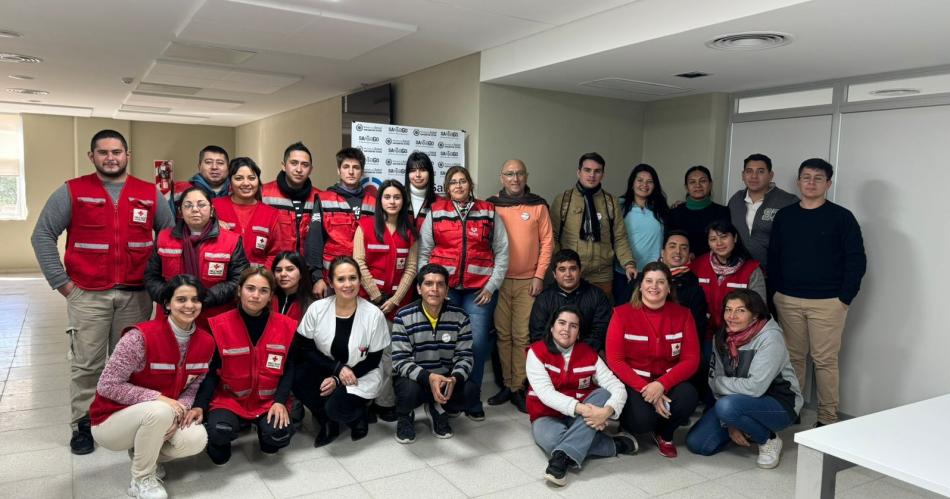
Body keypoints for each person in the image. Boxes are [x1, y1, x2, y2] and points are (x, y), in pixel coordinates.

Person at [30, 129, 175, 455]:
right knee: (87, 365)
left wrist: (160, 288)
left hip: (136, 296)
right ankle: (83, 425)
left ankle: (132, 421)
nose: (111, 158)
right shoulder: (72, 191)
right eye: (103, 152)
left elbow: (169, 239)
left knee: (134, 364)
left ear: (127, 155)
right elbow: (42, 236)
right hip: (87, 295)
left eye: (117, 152)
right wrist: (63, 284)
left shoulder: (149, 193)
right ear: (92, 157)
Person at [88, 275, 213, 499]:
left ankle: (146, 453)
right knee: (159, 410)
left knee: (196, 438)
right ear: (167, 303)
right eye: (181, 299)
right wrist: (160, 399)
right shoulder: (139, 337)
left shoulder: (206, 342)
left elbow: (195, 385)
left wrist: (182, 408)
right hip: (111, 420)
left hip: (161, 416)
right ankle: (141, 479)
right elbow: (107, 385)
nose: (189, 306)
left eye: (195, 300)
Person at [768, 158, 866, 427]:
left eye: (818, 178)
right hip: (787, 299)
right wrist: (775, 293)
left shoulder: (842, 218)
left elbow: (856, 260)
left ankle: (826, 417)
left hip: (828, 302)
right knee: (793, 359)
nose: (811, 182)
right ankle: (795, 409)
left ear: (828, 183)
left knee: (824, 361)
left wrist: (844, 299)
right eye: (806, 177)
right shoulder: (785, 216)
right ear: (798, 182)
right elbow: (774, 257)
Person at [418, 166, 508, 419]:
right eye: (453, 182)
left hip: (479, 291)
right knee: (445, 343)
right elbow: (424, 253)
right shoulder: (436, 212)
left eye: (463, 181)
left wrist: (492, 286)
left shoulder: (488, 212)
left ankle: (472, 396)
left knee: (477, 344)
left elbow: (502, 252)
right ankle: (448, 394)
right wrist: (431, 288)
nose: (458, 186)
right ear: (446, 188)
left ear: (470, 184)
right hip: (445, 291)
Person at [191, 267, 298, 464]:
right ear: (239, 291)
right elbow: (211, 374)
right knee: (219, 437)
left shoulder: (286, 325)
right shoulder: (218, 325)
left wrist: (280, 401)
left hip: (267, 401)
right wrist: (199, 406)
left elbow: (289, 368)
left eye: (263, 291)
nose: (256, 295)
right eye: (250, 288)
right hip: (229, 400)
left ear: (270, 296)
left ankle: (263, 431)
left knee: (278, 436)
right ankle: (221, 436)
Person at [686, 289, 802, 469]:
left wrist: (721, 388)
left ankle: (768, 439)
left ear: (755, 315)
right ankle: (745, 426)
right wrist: (731, 422)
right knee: (697, 443)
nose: (731, 316)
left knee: (727, 407)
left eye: (740, 310)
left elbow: (754, 387)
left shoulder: (770, 338)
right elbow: (713, 380)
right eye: (728, 309)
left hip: (779, 404)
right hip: (735, 402)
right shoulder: (721, 337)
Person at [526, 305, 636, 487]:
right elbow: (546, 394)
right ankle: (614, 445)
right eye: (561, 323)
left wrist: (607, 412)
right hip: (546, 415)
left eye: (573, 326)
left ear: (578, 333)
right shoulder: (536, 352)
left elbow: (617, 387)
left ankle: (559, 459)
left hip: (580, 416)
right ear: (552, 327)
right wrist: (585, 409)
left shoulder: (589, 354)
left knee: (603, 393)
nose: (566, 329)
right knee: (552, 440)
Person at [293, 257, 390, 446]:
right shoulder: (317, 309)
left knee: (337, 407)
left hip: (361, 373)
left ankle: (358, 416)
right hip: (325, 367)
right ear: (331, 282)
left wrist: (339, 378)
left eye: (353, 278)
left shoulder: (374, 315)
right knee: (298, 377)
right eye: (341, 279)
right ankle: (327, 422)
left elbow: (373, 360)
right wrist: (336, 369)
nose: (348, 284)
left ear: (360, 280)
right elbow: (304, 348)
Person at [606, 261, 699, 458]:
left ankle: (665, 434)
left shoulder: (683, 315)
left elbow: (691, 359)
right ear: (640, 286)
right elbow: (615, 361)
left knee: (688, 395)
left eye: (660, 282)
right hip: (635, 383)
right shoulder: (621, 314)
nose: (654, 287)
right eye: (648, 281)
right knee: (642, 421)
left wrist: (662, 385)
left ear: (668, 288)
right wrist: (646, 388)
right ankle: (629, 426)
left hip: (667, 381)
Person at [485, 159, 553, 412]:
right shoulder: (491, 205)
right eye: (510, 174)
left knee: (522, 335)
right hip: (499, 282)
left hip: (528, 282)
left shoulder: (537, 206)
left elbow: (547, 243)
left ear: (526, 176)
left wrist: (539, 276)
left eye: (519, 174)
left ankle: (519, 387)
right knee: (503, 335)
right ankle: (506, 384)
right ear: (501, 177)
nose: (515, 179)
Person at [353, 179, 419, 421]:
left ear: (403, 201)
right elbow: (358, 263)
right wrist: (377, 296)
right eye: (387, 197)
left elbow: (411, 268)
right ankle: (362, 403)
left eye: (397, 197)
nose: (392, 201)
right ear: (380, 201)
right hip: (368, 301)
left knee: (390, 354)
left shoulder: (410, 231)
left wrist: (395, 300)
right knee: (364, 353)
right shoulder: (366, 227)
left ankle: (384, 402)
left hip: (397, 305)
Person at [390, 264, 478, 443]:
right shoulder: (403, 316)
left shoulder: (460, 316)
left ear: (447, 289)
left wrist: (454, 379)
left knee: (471, 391)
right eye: (428, 284)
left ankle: (437, 408)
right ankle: (405, 416)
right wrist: (429, 378)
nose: (434, 289)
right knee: (407, 391)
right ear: (419, 288)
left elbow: (465, 356)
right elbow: (399, 361)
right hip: (415, 379)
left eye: (440, 284)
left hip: (445, 379)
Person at [144, 186, 248, 329]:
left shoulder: (231, 241)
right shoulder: (163, 238)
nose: (194, 209)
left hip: (215, 317)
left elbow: (238, 280)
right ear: (180, 212)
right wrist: (172, 298)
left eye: (201, 204)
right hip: (171, 317)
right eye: (188, 205)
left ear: (211, 210)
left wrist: (202, 298)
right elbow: (151, 277)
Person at [551, 152, 637, 300]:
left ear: (602, 174)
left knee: (601, 317)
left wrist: (628, 264)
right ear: (579, 172)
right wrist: (562, 264)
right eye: (587, 170)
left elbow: (619, 237)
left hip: (602, 273)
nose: (592, 175)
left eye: (597, 171)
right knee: (569, 316)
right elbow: (552, 236)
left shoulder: (610, 202)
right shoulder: (563, 200)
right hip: (571, 271)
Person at [306, 147, 377, 297]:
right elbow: (314, 240)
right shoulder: (324, 199)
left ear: (362, 172)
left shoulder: (373, 202)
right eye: (346, 167)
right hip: (331, 279)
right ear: (339, 171)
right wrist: (317, 278)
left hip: (364, 280)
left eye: (356, 167)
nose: (351, 172)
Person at [658, 230, 709, 402]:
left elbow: (697, 327)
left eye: (683, 248)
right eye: (672, 246)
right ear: (662, 252)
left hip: (677, 349)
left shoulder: (694, 286)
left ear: (690, 256)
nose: (677, 252)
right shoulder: (644, 278)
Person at [529, 249, 612, 355]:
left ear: (580, 271)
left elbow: (601, 332)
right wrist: (559, 354)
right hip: (552, 356)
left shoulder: (597, 295)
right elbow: (538, 334)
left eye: (573, 269)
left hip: (587, 354)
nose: (568, 274)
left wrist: (575, 353)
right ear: (554, 274)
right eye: (562, 269)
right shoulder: (544, 298)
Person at [726, 153, 798, 273]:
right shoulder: (735, 200)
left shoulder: (788, 201)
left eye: (760, 171)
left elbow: (796, 240)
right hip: (739, 272)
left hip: (776, 273)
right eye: (749, 171)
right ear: (743, 175)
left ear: (770, 175)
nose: (754, 176)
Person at [615, 163, 669, 304]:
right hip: (624, 272)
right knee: (625, 312)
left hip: (653, 272)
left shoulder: (661, 208)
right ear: (632, 183)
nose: (644, 185)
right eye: (640, 180)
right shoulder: (619, 206)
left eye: (649, 181)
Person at [213, 157, 281, 268]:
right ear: (230, 181)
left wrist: (261, 277)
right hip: (223, 279)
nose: (246, 183)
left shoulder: (271, 214)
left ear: (258, 181)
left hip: (257, 280)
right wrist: (212, 225)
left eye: (251, 178)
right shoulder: (214, 207)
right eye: (239, 178)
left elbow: (275, 253)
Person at [261, 142, 320, 256]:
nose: (299, 169)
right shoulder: (263, 193)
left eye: (305, 165)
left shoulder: (320, 197)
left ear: (311, 169)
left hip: (307, 268)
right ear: (283, 165)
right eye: (294, 163)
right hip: (273, 266)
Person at [667, 165, 730, 258]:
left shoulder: (723, 212)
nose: (698, 185)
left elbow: (726, 242)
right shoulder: (674, 213)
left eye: (703, 181)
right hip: (682, 266)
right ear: (686, 187)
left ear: (710, 184)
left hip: (714, 266)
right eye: (692, 182)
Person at [170, 145, 231, 210]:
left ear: (228, 167)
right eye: (208, 162)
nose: (214, 167)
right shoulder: (181, 191)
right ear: (199, 166)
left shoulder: (236, 191)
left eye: (220, 163)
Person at [271, 251, 313, 322]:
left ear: (301, 274)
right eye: (278, 270)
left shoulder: (311, 305)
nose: (283, 274)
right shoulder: (267, 299)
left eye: (290, 269)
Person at [404, 151, 438, 229]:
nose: (418, 175)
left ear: (430, 173)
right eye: (412, 170)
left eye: (422, 170)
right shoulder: (398, 199)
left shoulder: (440, 203)